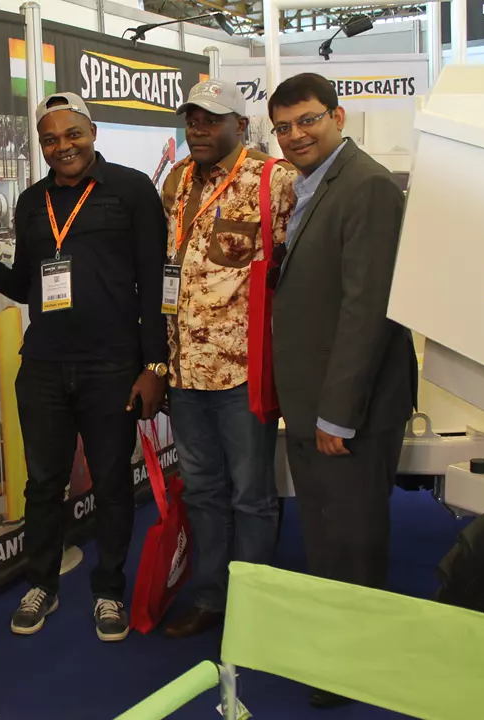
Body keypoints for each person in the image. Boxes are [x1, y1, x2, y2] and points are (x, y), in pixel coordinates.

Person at [0, 92, 168, 642]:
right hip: (46, 366)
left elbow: (154, 285)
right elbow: (31, 287)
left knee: (112, 482)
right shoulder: (32, 202)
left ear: (92, 133)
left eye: (72, 134)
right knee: (44, 485)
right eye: (50, 139)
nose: (62, 146)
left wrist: (154, 365)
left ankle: (109, 590)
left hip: (111, 366)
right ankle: (41, 585)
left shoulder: (131, 190)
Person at [267, 73, 418, 708]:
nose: (295, 135)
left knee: (352, 539)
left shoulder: (367, 187)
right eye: (283, 127)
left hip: (347, 410)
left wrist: (337, 415)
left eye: (308, 120)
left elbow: (369, 310)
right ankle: (338, 649)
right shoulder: (312, 184)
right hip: (315, 400)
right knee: (327, 533)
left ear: (338, 116)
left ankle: (353, 665)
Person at [158, 79, 296, 639]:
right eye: (192, 120)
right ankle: (212, 598)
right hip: (185, 371)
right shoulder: (177, 180)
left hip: (242, 372)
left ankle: (255, 607)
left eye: (211, 120)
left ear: (240, 126)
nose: (198, 130)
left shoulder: (273, 180)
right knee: (203, 491)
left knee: (251, 495)